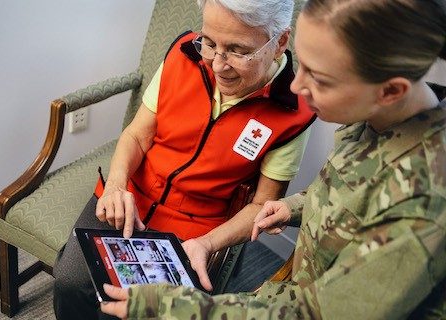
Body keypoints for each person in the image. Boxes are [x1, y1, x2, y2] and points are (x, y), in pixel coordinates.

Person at [99, 0, 446, 318]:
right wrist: (295, 206)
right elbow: (357, 194)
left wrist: (168, 307)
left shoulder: (424, 203)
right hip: (288, 288)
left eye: (320, 79)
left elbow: (315, 314)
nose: (296, 88)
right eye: (304, 66)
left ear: (391, 91)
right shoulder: (375, 120)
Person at [53, 0, 315, 319]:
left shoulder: (293, 112)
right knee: (70, 283)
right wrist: (116, 186)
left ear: (280, 43)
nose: (218, 64)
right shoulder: (183, 53)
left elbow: (262, 206)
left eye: (237, 50)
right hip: (129, 195)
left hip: (195, 226)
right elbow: (137, 135)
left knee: (130, 311)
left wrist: (207, 243)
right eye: (210, 42)